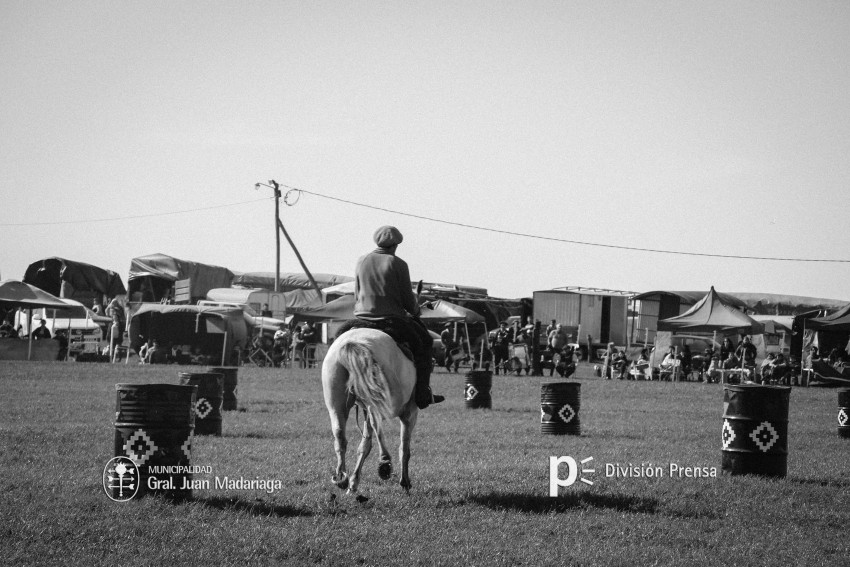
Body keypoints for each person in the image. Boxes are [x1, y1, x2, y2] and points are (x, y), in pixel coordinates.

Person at [353, 225, 444, 409]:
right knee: (425, 342)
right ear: (395, 245)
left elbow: (356, 292)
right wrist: (415, 310)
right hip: (390, 320)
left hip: (360, 318)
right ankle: (423, 393)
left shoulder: (361, 260)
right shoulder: (398, 264)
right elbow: (407, 299)